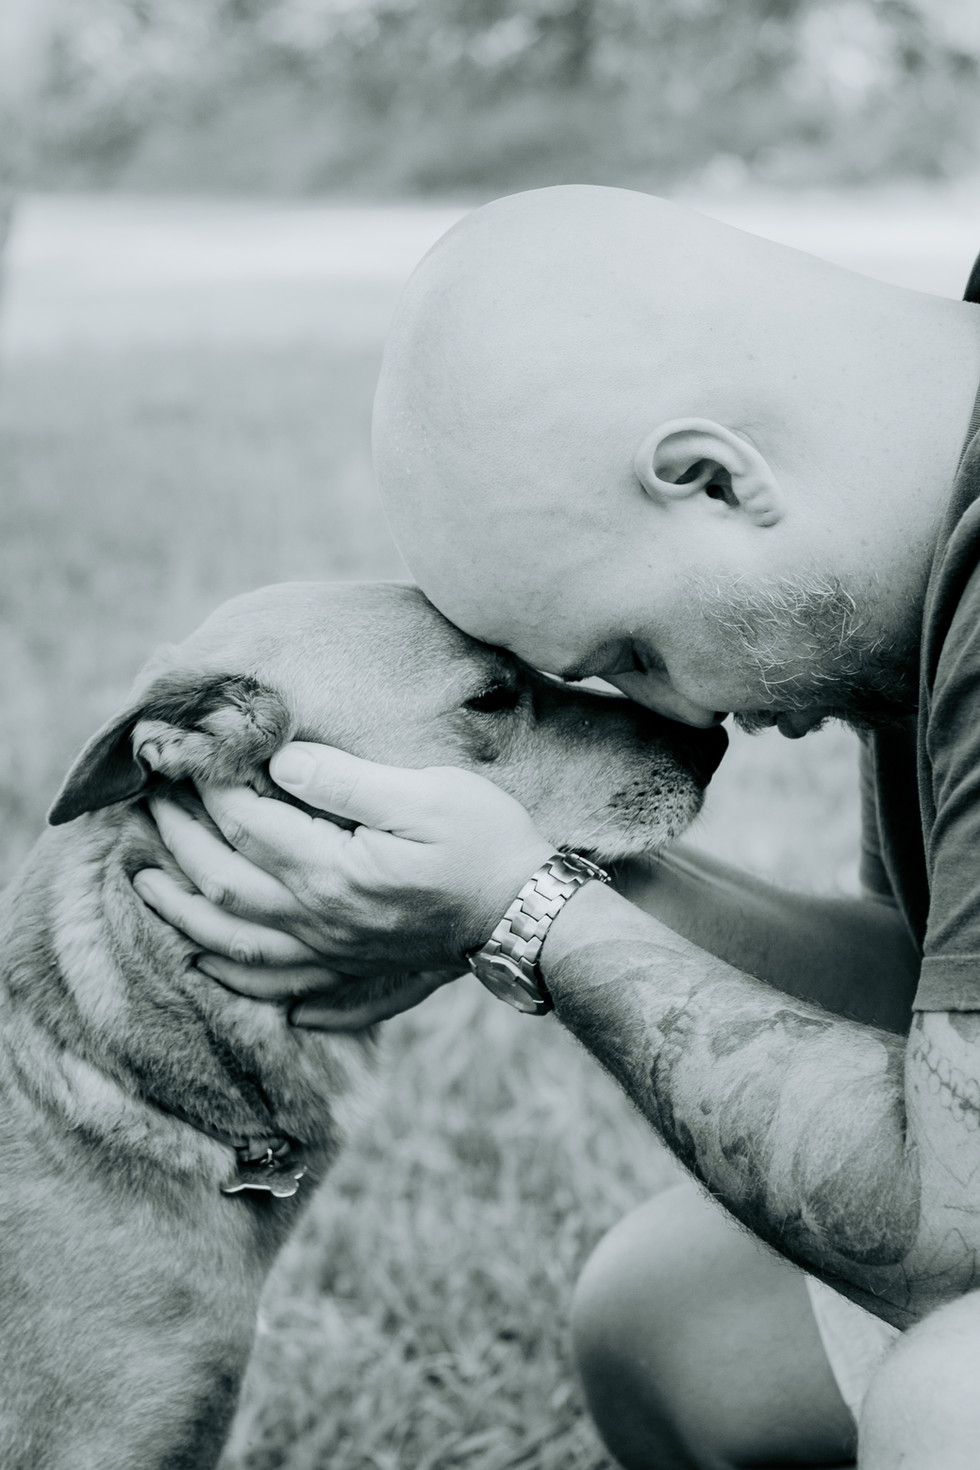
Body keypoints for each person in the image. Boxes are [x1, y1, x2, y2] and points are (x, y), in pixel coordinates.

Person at [133, 186, 980, 1468]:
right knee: (672, 1326)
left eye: (631, 652)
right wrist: (515, 871)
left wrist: (526, 917)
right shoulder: (914, 519)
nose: (680, 718)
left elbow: (949, 1229)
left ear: (710, 477)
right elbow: (918, 998)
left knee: (948, 1406)